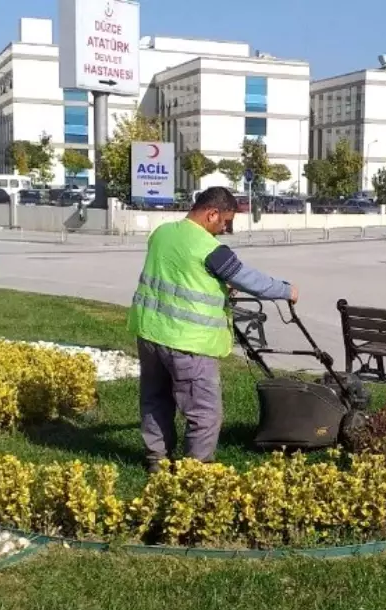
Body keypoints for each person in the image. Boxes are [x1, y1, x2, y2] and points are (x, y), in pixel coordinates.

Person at [127, 186, 298, 473]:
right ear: (212, 213)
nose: (225, 229)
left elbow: (181, 273)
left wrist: (217, 286)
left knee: (156, 399)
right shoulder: (210, 249)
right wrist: (286, 290)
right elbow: (250, 280)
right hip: (189, 342)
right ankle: (196, 470)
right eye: (225, 222)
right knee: (204, 412)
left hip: (149, 333)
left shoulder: (162, 233)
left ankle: (157, 461)